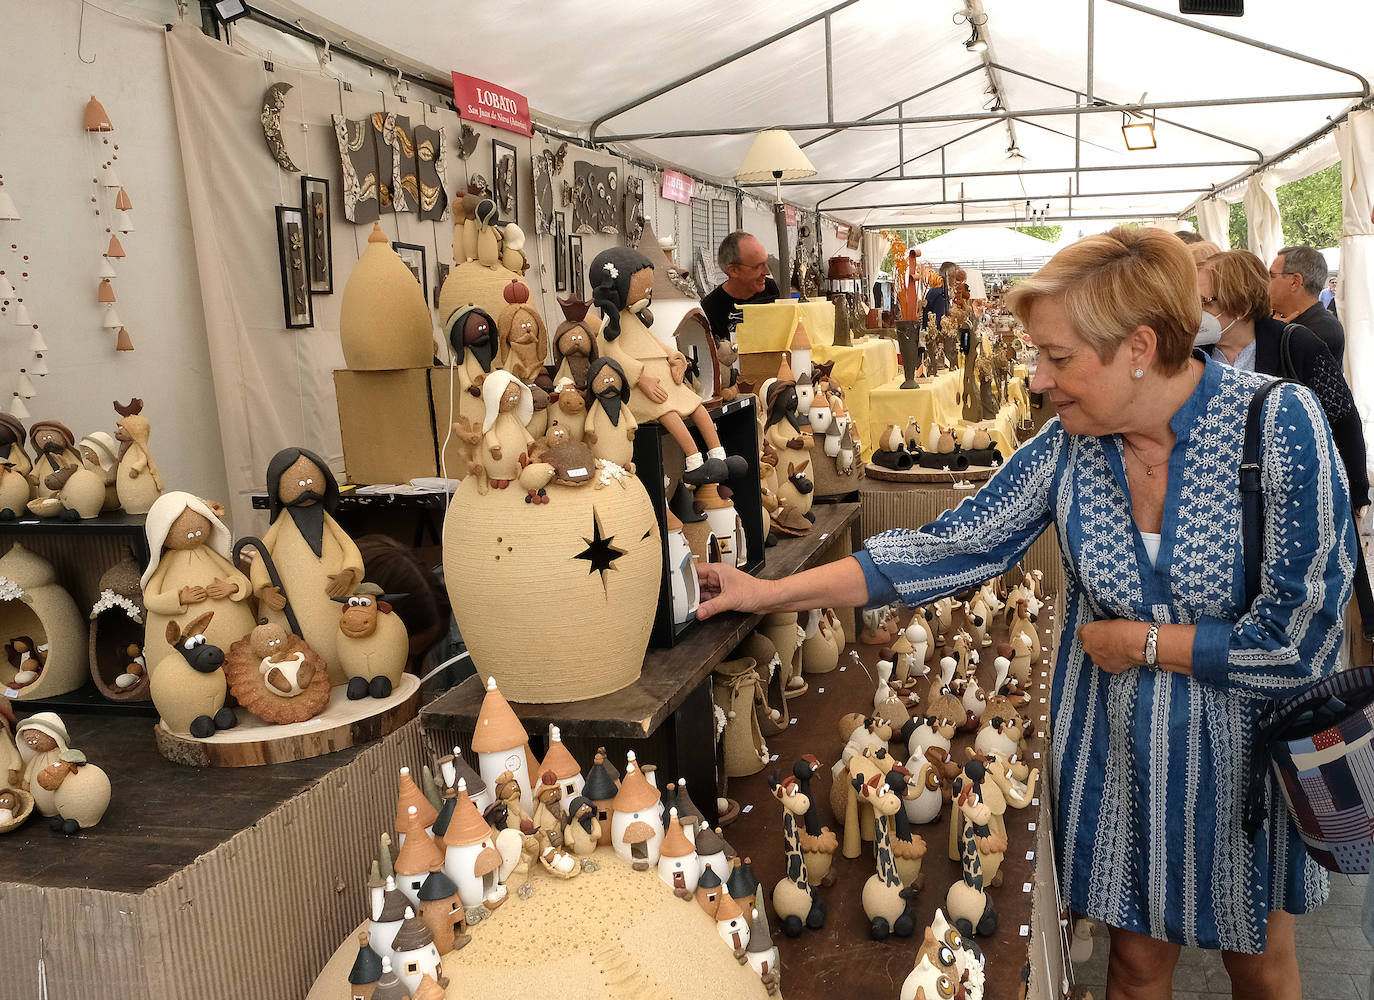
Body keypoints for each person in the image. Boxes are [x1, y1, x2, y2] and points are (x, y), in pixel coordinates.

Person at [697, 227, 1356, 999]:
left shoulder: (1280, 426)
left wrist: (1145, 643)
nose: (1038, 379)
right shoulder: (1070, 449)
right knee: (1137, 967)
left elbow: (1304, 639)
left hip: (1246, 764)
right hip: (1120, 764)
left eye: (1059, 357)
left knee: (1260, 967)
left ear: (1139, 345)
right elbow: (938, 550)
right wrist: (767, 593)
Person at [1199, 249, 1372, 636]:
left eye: (1205, 303)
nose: (1197, 314)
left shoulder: (1297, 345)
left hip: (1288, 501)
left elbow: (1344, 421)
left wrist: (1357, 494)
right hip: (1223, 508)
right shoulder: (1194, 355)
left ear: (1241, 306)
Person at [1269, 245, 1345, 368]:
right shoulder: (1284, 320)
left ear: (1295, 282)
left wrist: (1274, 334)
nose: (1266, 282)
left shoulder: (1321, 330)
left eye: (1272, 276)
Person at [700, 231, 780, 343]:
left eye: (766, 263)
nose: (767, 272)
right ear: (734, 271)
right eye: (758, 266)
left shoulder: (776, 291)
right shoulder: (710, 310)